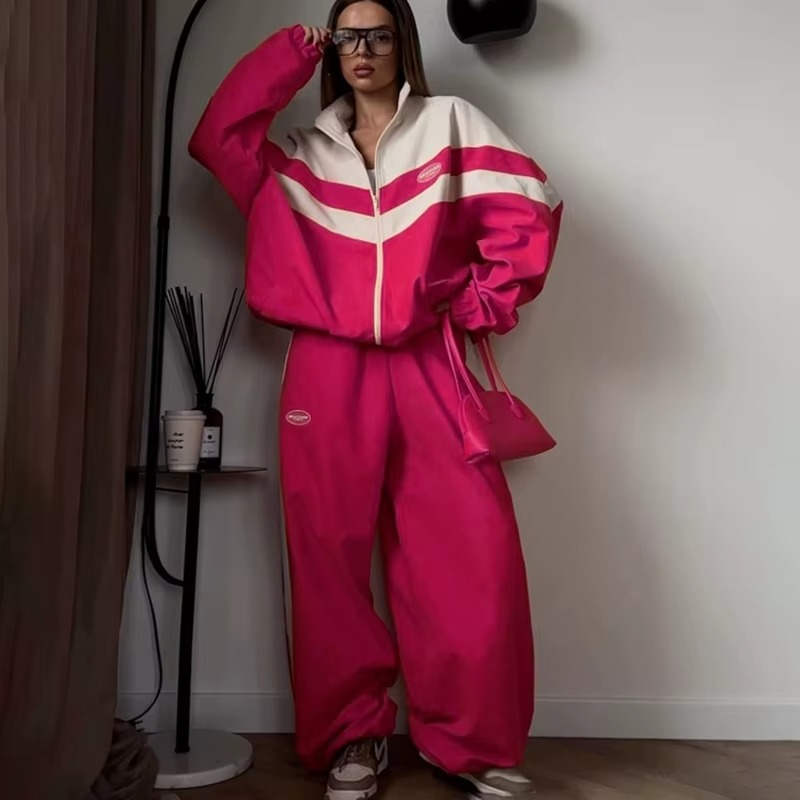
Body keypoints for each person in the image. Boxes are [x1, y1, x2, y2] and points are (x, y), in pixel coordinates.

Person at [189, 1, 563, 798]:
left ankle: (467, 745)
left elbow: (532, 203)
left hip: (430, 359)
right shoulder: (298, 156)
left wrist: (485, 300)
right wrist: (288, 53)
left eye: (379, 34)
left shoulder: (450, 124)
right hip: (326, 368)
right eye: (348, 36)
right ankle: (352, 738)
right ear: (332, 49)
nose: (363, 49)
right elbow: (216, 138)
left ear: (403, 44)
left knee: (469, 553)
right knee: (327, 559)